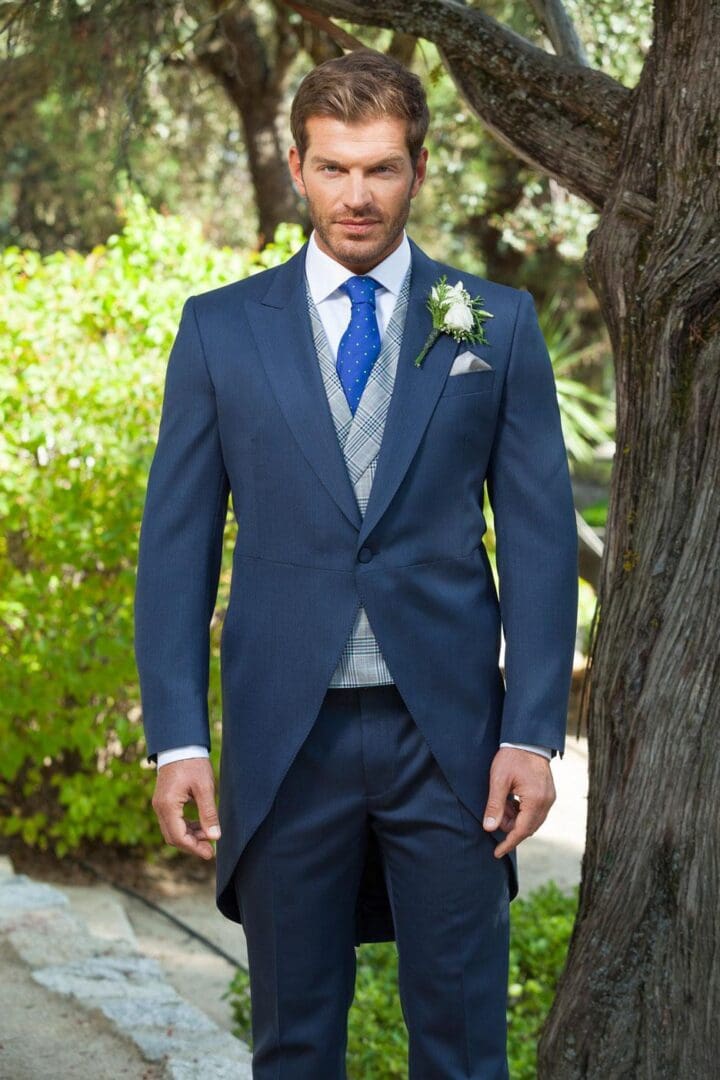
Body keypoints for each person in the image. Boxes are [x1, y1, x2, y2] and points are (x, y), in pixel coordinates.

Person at [134, 47, 578, 1080]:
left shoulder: (495, 324)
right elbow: (178, 547)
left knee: (466, 1046)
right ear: (297, 166)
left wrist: (532, 732)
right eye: (335, 168)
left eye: (380, 168)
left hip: (455, 745)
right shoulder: (219, 333)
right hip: (287, 741)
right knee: (292, 1046)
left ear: (418, 169)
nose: (357, 194)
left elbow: (542, 537)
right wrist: (176, 741)